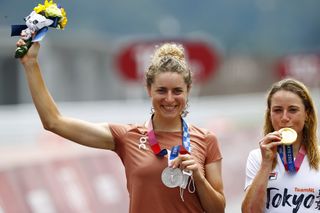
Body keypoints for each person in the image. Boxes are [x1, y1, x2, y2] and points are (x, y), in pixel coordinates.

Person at [16, 39, 226, 213]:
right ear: (148, 90)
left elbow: (218, 209)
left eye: (177, 91)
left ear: (188, 91)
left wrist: (198, 177)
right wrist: (31, 63)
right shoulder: (126, 136)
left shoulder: (206, 139)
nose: (169, 99)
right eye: (161, 90)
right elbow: (54, 122)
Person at [241, 78, 320, 213]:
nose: (284, 117)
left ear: (307, 114)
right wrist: (266, 164)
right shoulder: (257, 157)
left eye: (293, 110)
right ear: (270, 115)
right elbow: (249, 210)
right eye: (277, 110)